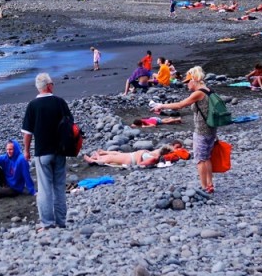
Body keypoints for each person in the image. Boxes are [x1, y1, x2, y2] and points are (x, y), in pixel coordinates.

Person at [150, 66, 219, 194]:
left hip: (202, 130)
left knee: (200, 159)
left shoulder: (198, 93)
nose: (187, 85)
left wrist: (161, 105)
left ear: (194, 80)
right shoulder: (209, 90)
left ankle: (204, 187)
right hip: (211, 128)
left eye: (188, 82)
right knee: (207, 157)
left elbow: (180, 105)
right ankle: (210, 184)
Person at [21, 73, 72, 230]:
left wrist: (26, 151)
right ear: (49, 85)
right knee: (59, 187)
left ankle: (47, 223)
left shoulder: (33, 105)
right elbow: (71, 125)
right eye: (52, 83)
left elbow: (27, 133)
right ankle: (61, 221)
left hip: (43, 151)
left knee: (44, 189)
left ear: (39, 87)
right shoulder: (60, 102)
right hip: (60, 150)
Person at [84, 145, 176, 168]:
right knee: (117, 153)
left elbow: (140, 164)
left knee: (112, 158)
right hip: (131, 155)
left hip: (131, 160)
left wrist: (140, 154)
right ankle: (102, 153)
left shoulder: (154, 158)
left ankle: (94, 160)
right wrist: (143, 152)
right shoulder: (154, 154)